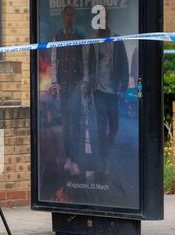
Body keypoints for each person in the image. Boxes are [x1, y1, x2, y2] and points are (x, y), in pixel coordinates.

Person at [85, 10, 129, 178]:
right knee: (101, 127)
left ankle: (106, 153)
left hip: (113, 92)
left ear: (107, 20)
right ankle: (104, 162)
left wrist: (123, 88)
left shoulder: (116, 39)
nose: (102, 22)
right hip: (98, 91)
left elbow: (124, 65)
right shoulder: (94, 41)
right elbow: (89, 67)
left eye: (104, 19)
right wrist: (88, 90)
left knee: (114, 127)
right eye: (99, 19)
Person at [51, 5, 86, 177]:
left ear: (75, 16)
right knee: (66, 124)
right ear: (63, 17)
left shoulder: (80, 36)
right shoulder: (58, 35)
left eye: (72, 14)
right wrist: (54, 83)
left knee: (76, 123)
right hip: (63, 86)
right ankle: (68, 158)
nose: (69, 17)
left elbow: (84, 61)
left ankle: (76, 158)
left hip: (76, 85)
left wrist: (84, 83)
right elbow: (54, 59)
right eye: (67, 15)